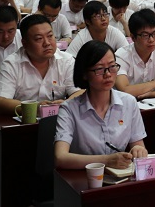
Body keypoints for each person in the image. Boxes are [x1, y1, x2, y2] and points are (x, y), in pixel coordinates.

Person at [54, 40, 148, 169]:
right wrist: (107, 161)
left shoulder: (129, 102)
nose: (108, 74)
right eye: (99, 69)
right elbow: (60, 158)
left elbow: (138, 145)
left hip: (119, 174)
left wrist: (138, 150)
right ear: (84, 74)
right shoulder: (69, 109)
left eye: (112, 66)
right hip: (83, 177)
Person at [0, 15, 82, 115]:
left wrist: (67, 103)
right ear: (25, 43)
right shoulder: (11, 64)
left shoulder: (66, 61)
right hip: (24, 122)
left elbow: (80, 92)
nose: (47, 43)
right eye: (39, 39)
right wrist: (33, 108)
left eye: (50, 36)